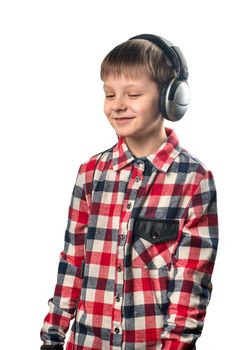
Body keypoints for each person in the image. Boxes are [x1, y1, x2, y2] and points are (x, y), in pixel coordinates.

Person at [40, 34, 218, 350]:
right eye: (110, 94)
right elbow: (73, 260)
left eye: (133, 94)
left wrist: (179, 343)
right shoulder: (90, 174)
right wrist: (53, 336)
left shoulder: (194, 180)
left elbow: (191, 280)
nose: (118, 104)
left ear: (171, 98)